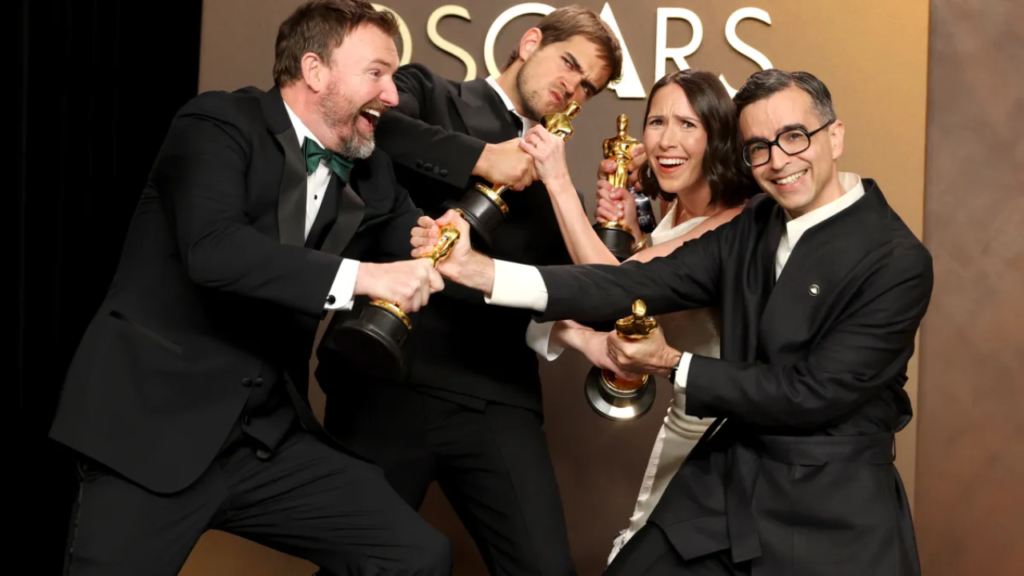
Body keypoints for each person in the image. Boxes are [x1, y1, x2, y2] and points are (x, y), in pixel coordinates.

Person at [412, 69, 932, 576]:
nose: (778, 162)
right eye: (759, 148)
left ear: (834, 136)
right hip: (728, 481)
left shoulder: (897, 260)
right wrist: (479, 271)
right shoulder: (756, 223)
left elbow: (809, 393)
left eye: (793, 138)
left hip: (831, 511)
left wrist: (669, 361)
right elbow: (628, 285)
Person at [50, 2, 452, 574]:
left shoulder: (369, 170)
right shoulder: (216, 123)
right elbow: (215, 251)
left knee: (418, 555)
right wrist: (367, 278)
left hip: (266, 442)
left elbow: (418, 242)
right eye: (377, 73)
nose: (392, 94)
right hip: (152, 428)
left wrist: (447, 241)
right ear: (315, 71)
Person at [315, 6, 622, 576]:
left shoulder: (556, 182)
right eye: (569, 65)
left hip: (496, 396)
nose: (572, 89)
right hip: (386, 380)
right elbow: (371, 125)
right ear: (530, 42)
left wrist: (610, 227)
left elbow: (575, 291)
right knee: (361, 568)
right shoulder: (428, 91)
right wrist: (486, 158)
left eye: (588, 88)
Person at [515, 69, 756, 562]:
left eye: (688, 124)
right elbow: (658, 284)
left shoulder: (732, 220)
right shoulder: (675, 209)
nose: (667, 140)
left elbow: (617, 290)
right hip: (683, 420)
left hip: (723, 440)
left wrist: (557, 180)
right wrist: (635, 232)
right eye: (657, 121)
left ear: (720, 135)